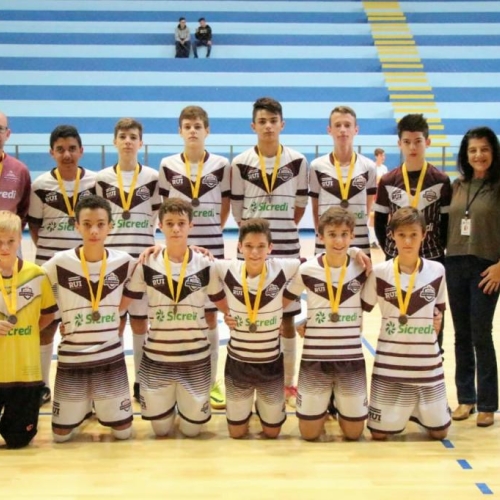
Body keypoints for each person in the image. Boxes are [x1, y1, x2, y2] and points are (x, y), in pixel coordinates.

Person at [121, 199, 224, 438]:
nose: (176, 228)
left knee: (192, 431)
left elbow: (226, 305)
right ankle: (171, 402)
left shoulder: (207, 264)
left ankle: (186, 404)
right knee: (161, 430)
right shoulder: (146, 262)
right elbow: (121, 304)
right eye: (169, 223)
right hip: (158, 358)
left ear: (191, 225)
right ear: (160, 226)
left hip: (195, 359)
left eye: (181, 223)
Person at [231, 97, 308, 407]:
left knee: (286, 319)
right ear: (253, 126)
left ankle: (288, 383)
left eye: (273, 121)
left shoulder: (298, 161)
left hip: (287, 249)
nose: (268, 126)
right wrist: (255, 239)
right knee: (251, 315)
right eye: (262, 121)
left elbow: (299, 207)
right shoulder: (239, 163)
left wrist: (281, 228)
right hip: (251, 252)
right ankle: (251, 381)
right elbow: (238, 211)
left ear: (282, 124)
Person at [43, 196, 135, 442]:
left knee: (123, 433)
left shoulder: (125, 262)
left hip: (110, 358)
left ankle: (95, 405)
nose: (94, 230)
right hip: (72, 358)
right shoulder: (59, 262)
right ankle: (83, 407)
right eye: (87, 224)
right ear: (76, 226)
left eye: (100, 224)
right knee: (61, 437)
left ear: (110, 226)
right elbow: (28, 280)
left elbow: (156, 263)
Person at [158, 106, 230, 410]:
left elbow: (225, 205)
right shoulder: (167, 165)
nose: (192, 131)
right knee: (179, 312)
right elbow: (166, 209)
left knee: (210, 316)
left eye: (198, 126)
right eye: (187, 126)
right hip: (177, 248)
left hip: (212, 246)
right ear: (180, 131)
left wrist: (210, 231)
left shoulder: (222, 164)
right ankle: (176, 377)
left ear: (207, 130)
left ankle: (211, 381)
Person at [208, 218, 301, 439]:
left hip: (271, 365)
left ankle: (263, 405)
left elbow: (318, 263)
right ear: (239, 247)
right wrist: (226, 311)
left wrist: (279, 305)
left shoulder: (283, 268)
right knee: (236, 433)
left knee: (272, 432)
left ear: (270, 248)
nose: (255, 252)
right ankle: (248, 405)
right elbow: (197, 261)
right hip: (238, 364)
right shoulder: (226, 268)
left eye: (261, 246)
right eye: (249, 246)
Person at [363, 207, 450, 440]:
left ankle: (419, 412)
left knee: (440, 433)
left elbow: (439, 312)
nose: (408, 241)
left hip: (426, 364)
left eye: (413, 234)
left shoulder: (438, 271)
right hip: (390, 363)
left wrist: (437, 322)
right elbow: (360, 307)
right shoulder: (379, 273)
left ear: (424, 234)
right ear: (392, 235)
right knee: (379, 435)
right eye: (401, 235)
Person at [285, 208, 368, 441]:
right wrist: (302, 321)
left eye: (344, 234)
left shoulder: (362, 267)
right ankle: (325, 402)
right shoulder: (307, 269)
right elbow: (283, 302)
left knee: (354, 434)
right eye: (332, 234)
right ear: (320, 237)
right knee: (309, 434)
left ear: (352, 236)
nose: (338, 241)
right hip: (316, 360)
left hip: (350, 360)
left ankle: (337, 401)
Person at [28, 125, 97, 406]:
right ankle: (42, 385)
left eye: (72, 148)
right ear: (51, 153)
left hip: (84, 269)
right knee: (47, 326)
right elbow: (35, 226)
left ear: (81, 151)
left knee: (82, 328)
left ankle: (87, 389)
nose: (66, 154)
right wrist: (53, 257)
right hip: (49, 270)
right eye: (60, 149)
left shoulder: (94, 182)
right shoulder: (40, 185)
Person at [95, 118, 161, 403]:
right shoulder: (101, 179)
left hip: (143, 261)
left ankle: (140, 380)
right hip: (112, 262)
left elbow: (155, 214)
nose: (127, 141)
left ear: (140, 142)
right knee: (114, 322)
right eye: (122, 136)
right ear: (115, 141)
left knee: (141, 323)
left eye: (133, 137)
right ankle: (115, 381)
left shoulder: (153, 177)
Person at [373, 113, 451, 351]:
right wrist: (391, 250)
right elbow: (379, 222)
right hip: (397, 259)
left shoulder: (441, 180)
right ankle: (396, 355)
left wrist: (437, 249)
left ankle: (435, 355)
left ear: (428, 142)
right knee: (397, 312)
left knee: (434, 314)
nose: (412, 147)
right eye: (407, 142)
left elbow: (446, 222)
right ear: (399, 143)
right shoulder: (388, 180)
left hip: (432, 257)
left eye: (418, 141)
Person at [446, 126, 500, 428]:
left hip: (486, 268)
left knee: (481, 333)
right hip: (455, 264)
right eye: (473, 150)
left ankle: (488, 404)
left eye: (484, 149)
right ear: (465, 155)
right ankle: (466, 398)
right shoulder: (458, 185)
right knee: (461, 335)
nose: (478, 155)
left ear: (493, 152)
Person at [0, 211, 57, 449]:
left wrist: (29, 331)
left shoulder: (37, 275)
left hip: (26, 373)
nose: (4, 247)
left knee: (19, 440)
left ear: (19, 240)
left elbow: (48, 314)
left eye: (10, 241)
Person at [309, 105, 377, 256]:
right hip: (326, 243)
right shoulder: (317, 166)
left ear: (356, 130)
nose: (343, 130)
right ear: (329, 130)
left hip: (359, 241)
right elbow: (315, 208)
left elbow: (367, 207)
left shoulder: (369, 167)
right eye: (337, 125)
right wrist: (321, 234)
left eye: (347, 125)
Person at [0, 112, 31, 227]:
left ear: (7, 134)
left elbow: (24, 211)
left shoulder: (20, 170)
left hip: (8, 238)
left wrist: (12, 233)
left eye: (0, 129)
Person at [368, 148, 389, 248]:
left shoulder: (384, 168)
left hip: (381, 195)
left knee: (379, 217)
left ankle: (377, 239)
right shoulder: (372, 167)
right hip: (373, 195)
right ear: (376, 156)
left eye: (384, 155)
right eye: (381, 155)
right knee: (371, 217)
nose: (383, 157)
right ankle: (372, 240)